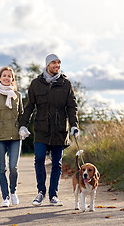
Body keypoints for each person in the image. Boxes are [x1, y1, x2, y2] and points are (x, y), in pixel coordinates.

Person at [19, 53, 80, 206]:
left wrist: (74, 125)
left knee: (56, 163)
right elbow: (29, 107)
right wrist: (23, 125)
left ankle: (53, 195)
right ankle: (41, 192)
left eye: (59, 63)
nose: (57, 66)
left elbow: (71, 106)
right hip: (41, 129)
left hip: (60, 130)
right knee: (39, 158)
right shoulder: (36, 84)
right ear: (47, 65)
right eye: (54, 63)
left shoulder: (66, 84)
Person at [0, 66, 24, 207]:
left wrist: (23, 128)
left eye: (9, 76)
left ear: (12, 79)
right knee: (2, 169)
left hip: (15, 136)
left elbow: (22, 116)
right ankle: (6, 197)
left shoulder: (18, 96)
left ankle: (13, 191)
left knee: (13, 167)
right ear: (0, 78)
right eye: (4, 75)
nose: (7, 78)